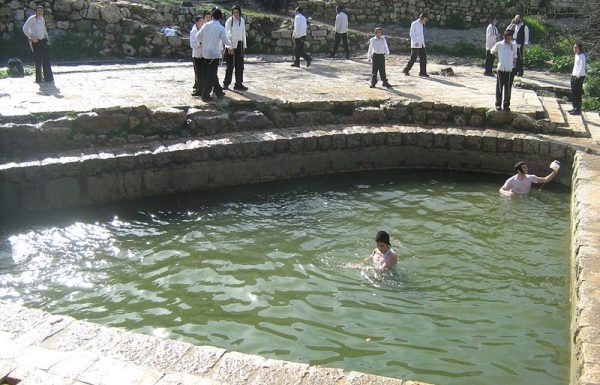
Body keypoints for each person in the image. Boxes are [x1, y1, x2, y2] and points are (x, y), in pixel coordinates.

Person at [196, 8, 231, 102]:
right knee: (211, 74)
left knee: (209, 73)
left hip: (205, 53)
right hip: (214, 54)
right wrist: (230, 39)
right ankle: (205, 94)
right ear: (220, 17)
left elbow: (198, 36)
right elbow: (226, 41)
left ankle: (219, 91)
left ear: (212, 16)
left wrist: (205, 41)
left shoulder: (206, 25)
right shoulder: (221, 28)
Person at [22, 6, 54, 83]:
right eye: (38, 11)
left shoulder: (42, 19)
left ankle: (48, 78)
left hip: (43, 41)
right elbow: (24, 28)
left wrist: (46, 37)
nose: (40, 12)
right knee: (38, 60)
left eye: (41, 11)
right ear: (36, 11)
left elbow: (43, 28)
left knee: (46, 60)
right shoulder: (32, 19)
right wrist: (31, 37)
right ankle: (39, 79)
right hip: (36, 42)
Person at [491, 30, 517, 111]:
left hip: (509, 69)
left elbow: (515, 56)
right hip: (501, 68)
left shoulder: (513, 45)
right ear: (504, 38)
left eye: (510, 39)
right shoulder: (499, 44)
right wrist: (498, 57)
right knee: (499, 87)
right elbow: (492, 51)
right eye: (507, 39)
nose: (509, 40)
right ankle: (498, 104)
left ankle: (506, 105)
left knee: (508, 88)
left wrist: (514, 65)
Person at [223, 5, 248, 91]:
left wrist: (244, 45)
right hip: (231, 45)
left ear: (240, 13)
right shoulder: (229, 21)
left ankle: (238, 83)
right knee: (230, 65)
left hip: (240, 44)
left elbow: (243, 33)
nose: (235, 14)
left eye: (237, 12)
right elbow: (227, 34)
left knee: (240, 65)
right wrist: (229, 47)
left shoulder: (242, 20)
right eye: (234, 12)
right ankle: (226, 83)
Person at [403, 13, 428, 77]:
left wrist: (422, 43)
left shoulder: (421, 24)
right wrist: (415, 42)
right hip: (416, 43)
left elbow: (421, 35)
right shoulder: (414, 23)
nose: (425, 21)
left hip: (421, 43)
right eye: (424, 19)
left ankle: (423, 72)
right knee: (413, 58)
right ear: (421, 18)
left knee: (423, 57)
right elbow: (411, 34)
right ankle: (406, 70)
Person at [569, 43, 586, 115]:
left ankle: (578, 110)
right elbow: (575, 66)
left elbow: (582, 67)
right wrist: (572, 75)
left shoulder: (582, 56)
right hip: (574, 75)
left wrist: (577, 76)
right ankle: (574, 107)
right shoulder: (576, 55)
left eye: (575, 48)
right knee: (573, 92)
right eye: (574, 48)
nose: (574, 49)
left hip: (579, 77)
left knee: (578, 93)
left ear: (579, 48)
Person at [190, 15, 204, 96]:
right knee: (198, 73)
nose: (202, 23)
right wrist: (199, 44)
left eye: (203, 21)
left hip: (204, 54)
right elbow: (192, 45)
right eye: (200, 21)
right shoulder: (193, 32)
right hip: (196, 55)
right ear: (196, 22)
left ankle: (203, 89)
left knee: (203, 73)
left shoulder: (204, 30)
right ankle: (198, 89)